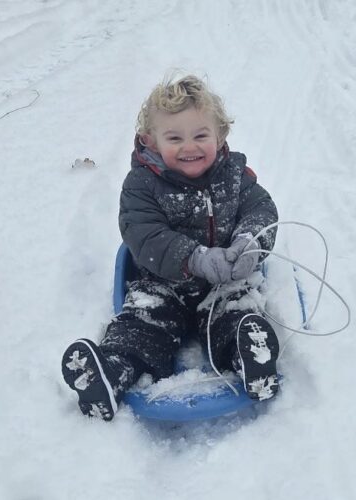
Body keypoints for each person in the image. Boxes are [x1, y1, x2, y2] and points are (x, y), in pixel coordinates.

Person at [61, 75, 280, 421]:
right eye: (174, 138)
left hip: (225, 279)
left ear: (220, 135)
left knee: (236, 311)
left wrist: (249, 244)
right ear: (151, 140)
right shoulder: (141, 184)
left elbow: (260, 211)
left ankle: (251, 359)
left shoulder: (236, 175)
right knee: (143, 324)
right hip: (162, 282)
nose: (189, 147)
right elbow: (143, 234)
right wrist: (193, 258)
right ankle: (112, 373)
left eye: (200, 136)